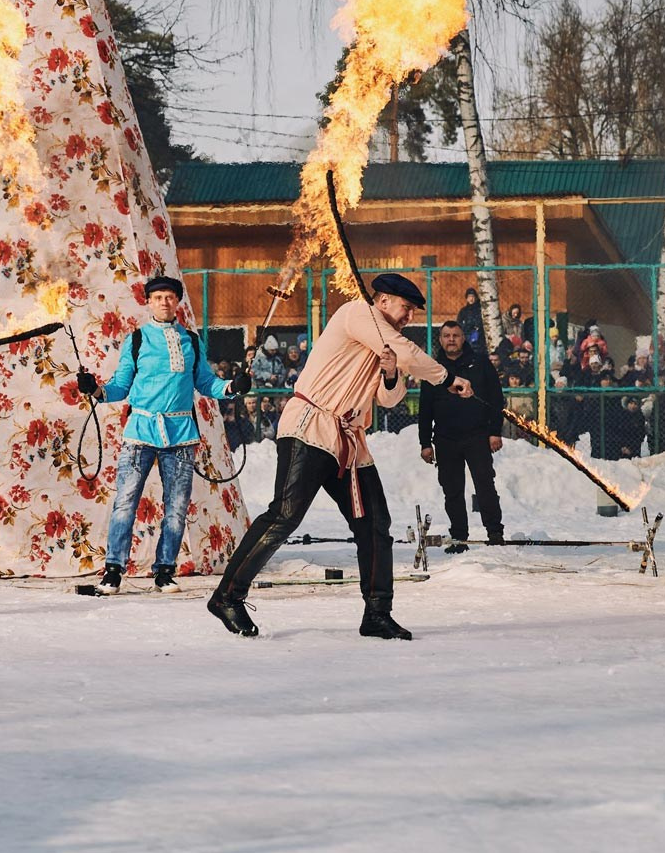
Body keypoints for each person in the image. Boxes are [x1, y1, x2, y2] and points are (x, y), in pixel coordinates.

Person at [208, 273, 474, 640]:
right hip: (311, 427)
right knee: (284, 515)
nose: (409, 315)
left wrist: (392, 373)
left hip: (349, 439)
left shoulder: (387, 345)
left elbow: (387, 398)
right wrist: (447, 378)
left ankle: (377, 613)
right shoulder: (357, 313)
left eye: (412, 310)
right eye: (405, 307)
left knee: (375, 524)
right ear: (382, 301)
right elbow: (410, 351)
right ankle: (227, 596)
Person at [76, 274, 249, 594]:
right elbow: (119, 387)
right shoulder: (137, 339)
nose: (164, 302)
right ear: (149, 302)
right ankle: (113, 570)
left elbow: (207, 384)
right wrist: (96, 389)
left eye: (170, 297)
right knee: (125, 503)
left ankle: (165, 571)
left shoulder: (192, 341)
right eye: (158, 298)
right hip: (140, 432)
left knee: (177, 506)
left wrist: (232, 388)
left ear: (178, 301)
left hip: (181, 434)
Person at [419, 320, 505, 548]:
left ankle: (495, 533)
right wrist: (425, 443)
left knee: (485, 485)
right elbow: (425, 408)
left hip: (477, 436)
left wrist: (495, 432)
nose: (451, 340)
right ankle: (458, 537)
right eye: (446, 335)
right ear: (440, 339)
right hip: (446, 439)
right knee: (452, 490)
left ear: (463, 338)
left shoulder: (480, 364)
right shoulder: (434, 369)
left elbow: (496, 399)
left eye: (455, 335)